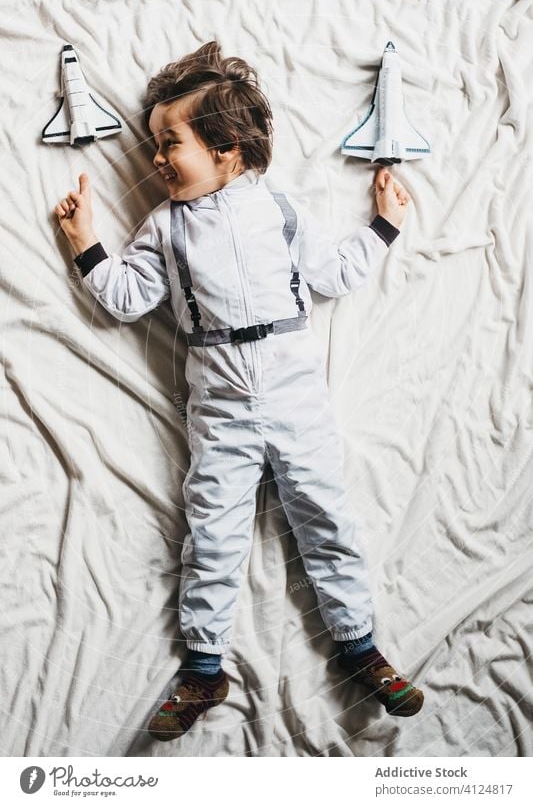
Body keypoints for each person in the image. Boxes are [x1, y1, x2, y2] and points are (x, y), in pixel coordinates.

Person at [54, 41, 424, 741]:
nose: (158, 159)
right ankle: (203, 664)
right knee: (213, 534)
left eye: (172, 143)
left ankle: (358, 642)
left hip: (292, 395)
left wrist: (383, 226)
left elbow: (333, 273)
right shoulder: (164, 227)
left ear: (227, 148)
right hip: (220, 402)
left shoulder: (279, 209)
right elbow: (127, 298)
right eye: (154, 145)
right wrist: (87, 243)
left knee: (325, 515)